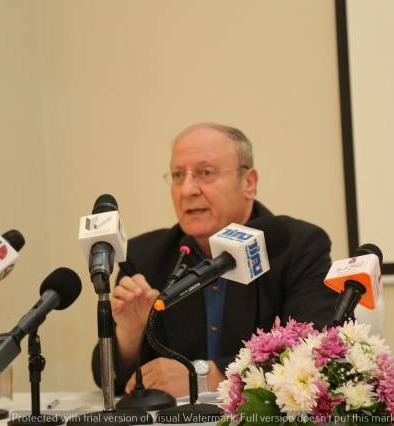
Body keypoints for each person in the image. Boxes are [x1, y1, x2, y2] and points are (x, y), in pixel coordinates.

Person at [92, 123, 337, 397]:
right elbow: (110, 381)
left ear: (249, 182)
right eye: (178, 175)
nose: (187, 190)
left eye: (205, 173)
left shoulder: (298, 246)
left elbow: (311, 352)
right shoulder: (145, 257)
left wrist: (207, 377)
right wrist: (129, 336)